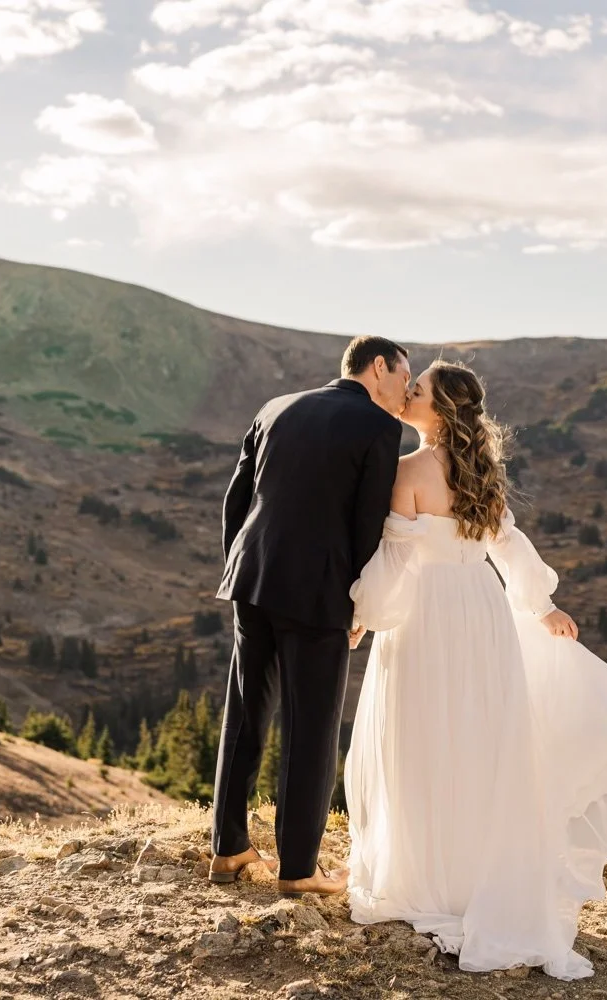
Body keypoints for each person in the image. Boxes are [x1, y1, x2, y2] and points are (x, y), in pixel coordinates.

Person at [344, 360, 607, 979]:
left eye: (418, 390)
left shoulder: (407, 472)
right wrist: (543, 606)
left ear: (441, 410)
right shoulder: (482, 475)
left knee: (420, 742)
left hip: (426, 620)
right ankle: (474, 877)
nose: (408, 396)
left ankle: (427, 880)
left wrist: (362, 614)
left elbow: (394, 562)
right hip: (482, 617)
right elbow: (510, 548)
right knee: (479, 746)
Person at [210, 335, 409, 898]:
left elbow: (237, 498)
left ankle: (228, 850)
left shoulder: (276, 407)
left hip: (253, 580)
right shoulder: (377, 428)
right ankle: (298, 869)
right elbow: (368, 525)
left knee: (245, 714)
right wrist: (361, 602)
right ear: (378, 368)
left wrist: (239, 567)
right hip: (320, 594)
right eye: (402, 377)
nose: (403, 391)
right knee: (310, 729)